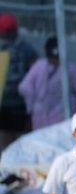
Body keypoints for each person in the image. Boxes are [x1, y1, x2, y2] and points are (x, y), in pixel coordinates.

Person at [18, 36, 76, 132]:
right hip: (41, 117)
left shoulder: (71, 70)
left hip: (63, 117)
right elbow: (25, 87)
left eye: (57, 58)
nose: (55, 61)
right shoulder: (39, 66)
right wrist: (32, 106)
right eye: (52, 58)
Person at [0, 13, 38, 151]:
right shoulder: (26, 48)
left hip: (5, 101)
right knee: (22, 141)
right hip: (22, 102)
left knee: (5, 140)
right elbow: (36, 70)